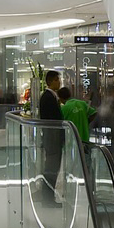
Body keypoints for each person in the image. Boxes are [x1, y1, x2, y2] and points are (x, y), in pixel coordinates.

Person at [38, 69, 64, 202]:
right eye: (57, 80)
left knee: (53, 167)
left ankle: (49, 196)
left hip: (53, 138)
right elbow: (53, 119)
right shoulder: (48, 98)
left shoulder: (51, 96)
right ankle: (47, 197)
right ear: (51, 81)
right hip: (52, 138)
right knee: (52, 168)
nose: (60, 82)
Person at [59, 82, 93, 148]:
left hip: (71, 138)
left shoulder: (64, 108)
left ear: (61, 98)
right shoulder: (82, 103)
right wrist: (87, 121)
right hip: (85, 137)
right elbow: (94, 113)